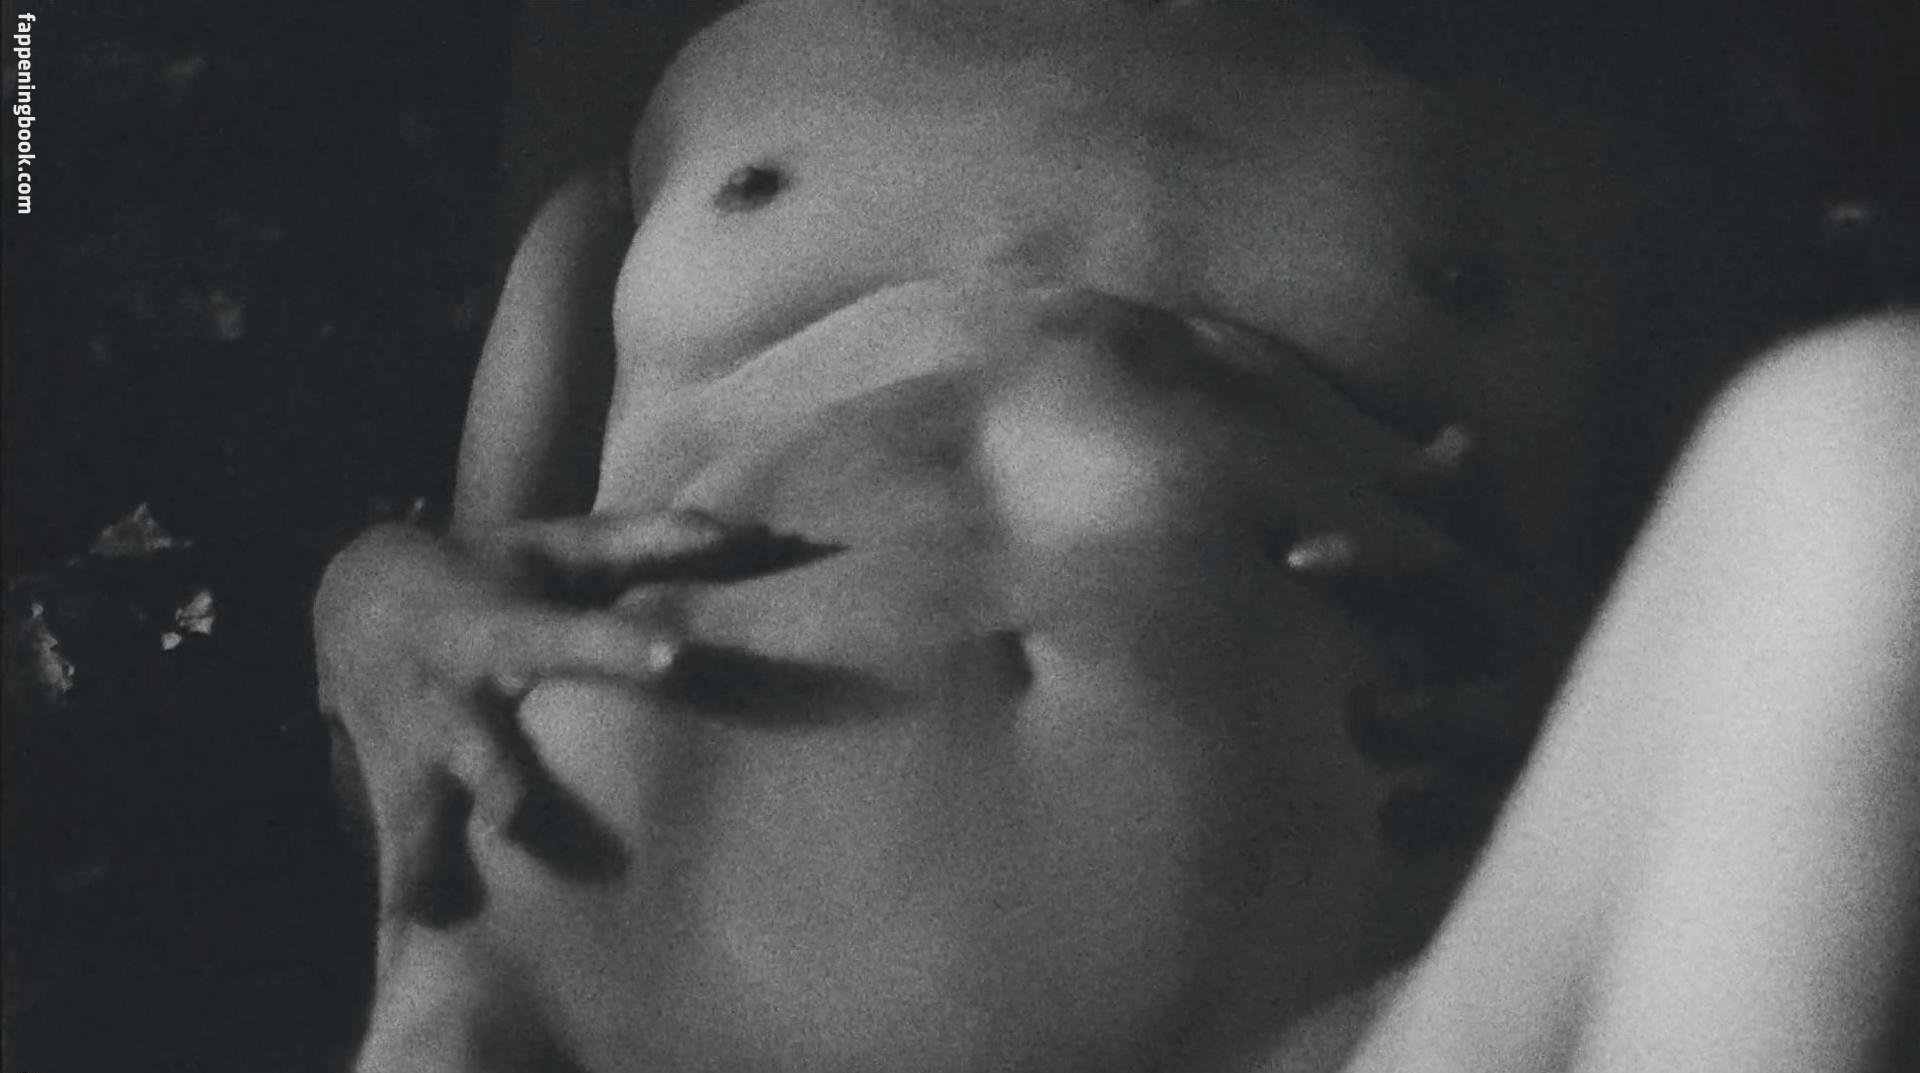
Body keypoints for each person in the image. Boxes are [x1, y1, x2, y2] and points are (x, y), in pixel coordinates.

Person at [312, 1, 1919, 1070]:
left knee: (1875, 429)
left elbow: (1741, 700)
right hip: (617, 1014)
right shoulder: (727, 79)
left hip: (1344, 1030)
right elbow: (423, 721)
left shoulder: (1593, 162)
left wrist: (1605, 704)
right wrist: (360, 601)